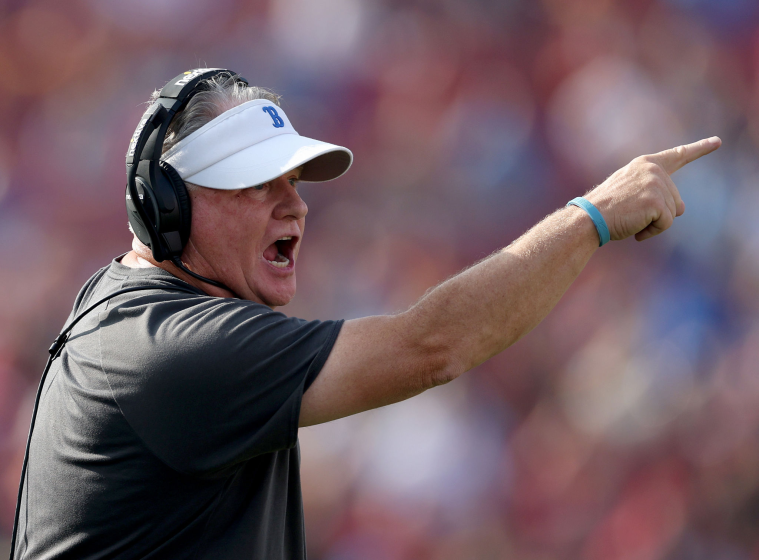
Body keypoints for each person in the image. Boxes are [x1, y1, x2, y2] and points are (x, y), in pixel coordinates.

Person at [14, 72, 721, 559]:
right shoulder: (166, 345)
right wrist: (591, 217)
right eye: (257, 186)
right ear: (168, 204)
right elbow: (430, 347)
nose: (293, 205)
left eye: (292, 182)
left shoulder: (134, 311)